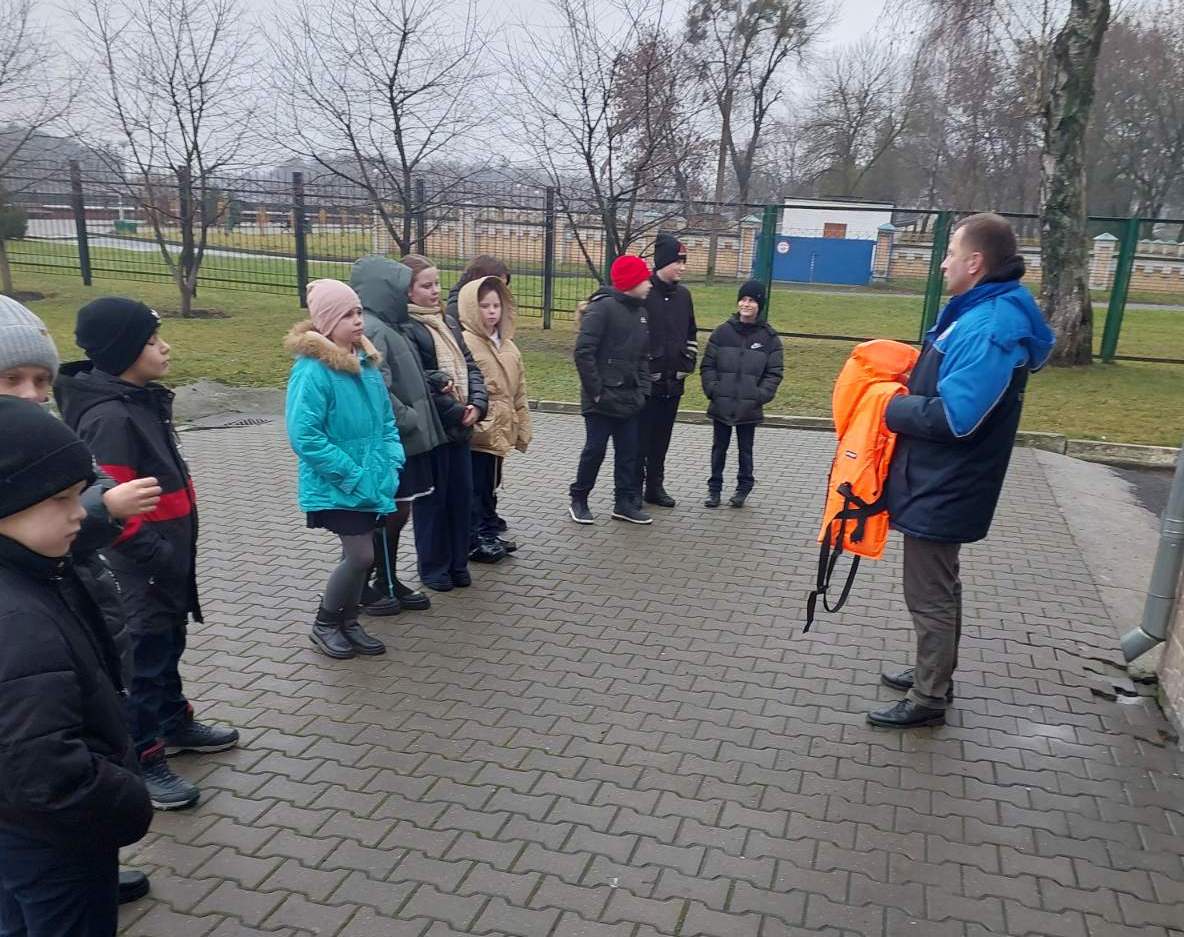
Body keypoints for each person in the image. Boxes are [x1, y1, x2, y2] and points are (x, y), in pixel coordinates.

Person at [869, 213, 1054, 729]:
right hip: (939, 478)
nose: (943, 263)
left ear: (975, 262)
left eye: (950, 252)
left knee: (928, 592)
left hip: (947, 482)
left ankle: (929, 696)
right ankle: (934, 672)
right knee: (941, 586)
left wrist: (889, 406)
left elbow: (957, 418)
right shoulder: (978, 312)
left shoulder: (988, 326)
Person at [0, 297, 156, 906]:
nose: (32, 394)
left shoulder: (45, 435)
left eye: (41, 380)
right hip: (35, 657)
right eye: (12, 379)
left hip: (74, 617)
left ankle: (86, 850)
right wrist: (97, 509)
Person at [55, 298, 239, 812]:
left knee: (168, 645)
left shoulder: (140, 400)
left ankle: (174, 722)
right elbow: (108, 502)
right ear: (125, 352)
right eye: (154, 342)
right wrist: (154, 551)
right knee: (145, 662)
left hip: (166, 558)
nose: (166, 348)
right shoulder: (110, 417)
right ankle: (144, 754)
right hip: (142, 566)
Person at [284, 279, 405, 659]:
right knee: (361, 556)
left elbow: (386, 422)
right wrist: (351, 475)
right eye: (346, 315)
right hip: (339, 484)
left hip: (372, 480)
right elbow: (305, 436)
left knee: (357, 556)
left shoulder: (366, 363)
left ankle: (348, 622)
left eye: (358, 312)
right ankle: (324, 624)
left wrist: (392, 460)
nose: (358, 321)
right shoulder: (313, 371)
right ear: (325, 323)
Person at [350, 255, 444, 616]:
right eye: (402, 287)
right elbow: (377, 387)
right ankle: (371, 584)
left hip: (408, 438)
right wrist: (408, 418)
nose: (408, 294)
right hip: (398, 438)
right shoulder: (375, 329)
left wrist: (433, 380)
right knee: (388, 512)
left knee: (399, 511)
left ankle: (386, 579)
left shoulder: (393, 325)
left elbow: (405, 373)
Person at [398, 254, 489, 591]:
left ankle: (458, 563)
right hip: (433, 429)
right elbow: (416, 381)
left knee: (461, 497)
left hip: (461, 427)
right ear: (408, 291)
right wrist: (456, 411)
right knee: (434, 501)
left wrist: (477, 404)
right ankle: (434, 566)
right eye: (426, 286)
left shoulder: (447, 322)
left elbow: (470, 365)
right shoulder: (407, 328)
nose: (435, 291)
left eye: (437, 283)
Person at [569, 254, 653, 525]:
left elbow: (643, 357)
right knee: (595, 450)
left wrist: (643, 390)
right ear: (631, 282)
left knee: (629, 453)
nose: (650, 284)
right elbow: (584, 352)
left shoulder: (641, 313)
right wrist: (596, 392)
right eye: (645, 279)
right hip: (601, 400)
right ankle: (579, 498)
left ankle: (624, 503)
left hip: (630, 398)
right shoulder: (603, 308)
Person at [458, 275, 531, 561]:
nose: (491, 312)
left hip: (501, 427)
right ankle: (477, 537)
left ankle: (490, 531)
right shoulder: (466, 342)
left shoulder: (508, 345)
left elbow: (519, 389)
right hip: (480, 428)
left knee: (491, 483)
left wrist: (522, 424)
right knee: (476, 487)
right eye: (484, 306)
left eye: (496, 306)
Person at [700, 280, 784, 508]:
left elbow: (774, 373)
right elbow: (708, 366)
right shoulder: (722, 333)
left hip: (749, 406)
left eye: (752, 301)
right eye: (743, 299)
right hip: (722, 402)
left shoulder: (769, 338)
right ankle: (714, 489)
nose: (746, 304)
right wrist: (713, 389)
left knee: (745, 450)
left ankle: (743, 488)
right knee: (719, 448)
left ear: (760, 305)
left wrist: (759, 395)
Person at [638, 234, 697, 508]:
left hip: (674, 383)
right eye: (678, 261)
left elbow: (691, 333)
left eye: (684, 262)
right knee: (640, 440)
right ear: (662, 262)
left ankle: (655, 487)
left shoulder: (684, 295)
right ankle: (633, 488)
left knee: (662, 439)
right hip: (647, 383)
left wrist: (687, 364)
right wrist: (646, 368)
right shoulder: (644, 292)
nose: (682, 267)